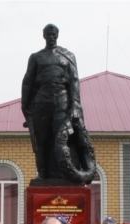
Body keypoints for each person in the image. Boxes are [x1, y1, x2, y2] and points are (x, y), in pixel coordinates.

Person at [21, 24, 95, 184]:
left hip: (62, 102)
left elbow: (74, 82)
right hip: (42, 101)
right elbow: (27, 82)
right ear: (44, 36)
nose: (51, 36)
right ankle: (43, 173)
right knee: (42, 138)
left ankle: (64, 174)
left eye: (54, 34)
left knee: (62, 138)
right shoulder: (36, 57)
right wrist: (25, 108)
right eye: (48, 34)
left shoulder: (68, 56)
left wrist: (75, 105)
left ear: (57, 35)